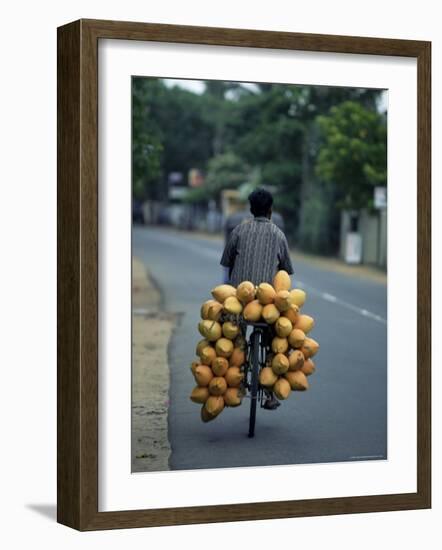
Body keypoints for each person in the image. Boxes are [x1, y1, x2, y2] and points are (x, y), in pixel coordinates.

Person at [219, 188, 294, 410]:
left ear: (251, 210)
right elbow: (286, 271)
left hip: (239, 301)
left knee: (235, 338)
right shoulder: (279, 235)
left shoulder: (239, 231)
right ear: (270, 210)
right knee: (276, 343)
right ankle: (270, 393)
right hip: (267, 304)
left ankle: (238, 382)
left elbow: (226, 262)